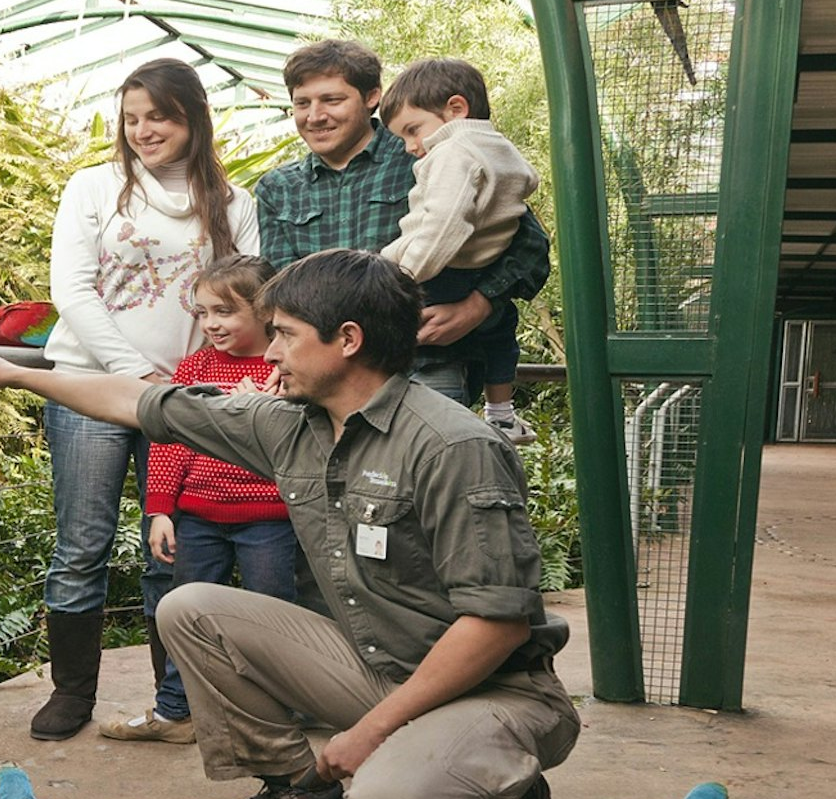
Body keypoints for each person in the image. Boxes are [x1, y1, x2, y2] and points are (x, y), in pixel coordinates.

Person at [0, 248, 579, 799]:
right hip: (380, 667)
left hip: (494, 692)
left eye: (284, 333)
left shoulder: (453, 446)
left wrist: (368, 734)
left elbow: (496, 624)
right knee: (190, 608)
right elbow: (139, 401)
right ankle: (301, 796)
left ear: (348, 341)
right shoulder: (292, 427)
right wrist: (14, 376)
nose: (270, 352)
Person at [30, 57, 258, 742]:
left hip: (185, 400)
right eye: (131, 118)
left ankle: (175, 701)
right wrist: (136, 372)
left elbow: (251, 296)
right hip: (90, 386)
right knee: (82, 544)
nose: (142, 130)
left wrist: (189, 382)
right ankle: (72, 693)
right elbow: (72, 290)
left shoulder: (234, 203)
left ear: (192, 118)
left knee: (173, 547)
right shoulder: (94, 188)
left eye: (158, 116)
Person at [253, 39, 549, 438]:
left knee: (430, 482)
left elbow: (527, 243)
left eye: (332, 100)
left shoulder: (428, 149)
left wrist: (478, 305)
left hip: (425, 363)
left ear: (371, 97)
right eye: (302, 103)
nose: (315, 116)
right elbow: (283, 290)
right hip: (325, 378)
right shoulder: (277, 188)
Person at [98, 254, 297, 744]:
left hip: (269, 520)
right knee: (182, 612)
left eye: (224, 312)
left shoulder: (288, 369)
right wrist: (161, 510)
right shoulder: (196, 367)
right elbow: (171, 441)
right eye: (203, 312)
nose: (210, 324)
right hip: (199, 518)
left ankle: (273, 716)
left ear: (265, 311)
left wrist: (272, 405)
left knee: (271, 617)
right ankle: (176, 711)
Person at [379, 58, 541, 444]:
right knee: (501, 332)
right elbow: (525, 186)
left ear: (456, 109)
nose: (411, 146)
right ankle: (502, 414)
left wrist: (401, 276)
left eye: (413, 131)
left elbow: (441, 227)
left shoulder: (453, 153)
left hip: (441, 271)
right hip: (477, 271)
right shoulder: (498, 148)